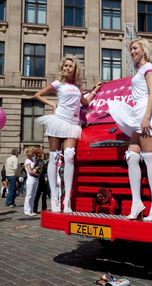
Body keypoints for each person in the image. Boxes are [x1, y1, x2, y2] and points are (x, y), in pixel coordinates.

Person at [108, 38, 152, 222]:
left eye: (135, 48)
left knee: (150, 159)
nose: (132, 51)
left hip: (146, 114)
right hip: (138, 114)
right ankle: (137, 203)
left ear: (143, 49)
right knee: (132, 156)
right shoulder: (139, 70)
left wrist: (145, 117)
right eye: (131, 49)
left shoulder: (149, 68)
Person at [34, 55, 103, 213]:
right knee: (53, 158)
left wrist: (94, 90)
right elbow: (38, 95)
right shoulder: (58, 84)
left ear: (74, 69)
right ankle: (54, 199)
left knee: (70, 156)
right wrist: (52, 104)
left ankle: (68, 200)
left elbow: (85, 103)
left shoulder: (78, 88)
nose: (67, 68)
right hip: (58, 122)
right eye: (65, 65)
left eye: (70, 66)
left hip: (72, 125)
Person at [24, 146, 39, 216]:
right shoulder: (28, 161)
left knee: (33, 195)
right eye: (33, 152)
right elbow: (30, 171)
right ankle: (27, 210)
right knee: (29, 195)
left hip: (35, 179)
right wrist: (37, 173)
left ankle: (31, 209)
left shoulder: (33, 160)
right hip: (31, 179)